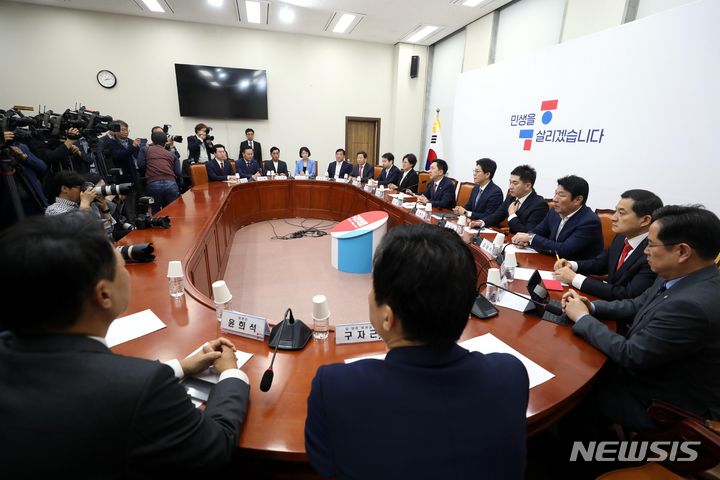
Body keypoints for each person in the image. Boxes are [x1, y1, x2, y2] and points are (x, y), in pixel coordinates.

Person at [0, 214, 251, 477]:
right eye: (123, 266)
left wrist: (180, 367)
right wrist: (231, 374)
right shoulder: (140, 388)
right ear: (104, 294)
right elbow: (214, 447)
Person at [305, 223, 529, 479]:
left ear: (387, 317)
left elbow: (323, 464)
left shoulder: (336, 387)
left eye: (373, 287)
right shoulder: (510, 374)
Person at [562, 205, 720, 431]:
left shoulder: (691, 306)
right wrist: (592, 308)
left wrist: (583, 319)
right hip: (651, 370)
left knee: (576, 391)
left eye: (651, 244)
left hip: (662, 402)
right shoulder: (682, 274)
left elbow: (631, 354)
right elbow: (636, 304)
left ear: (682, 252)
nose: (645, 250)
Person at [554, 189, 662, 301]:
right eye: (615, 211)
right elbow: (601, 263)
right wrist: (572, 265)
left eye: (621, 213)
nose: (614, 218)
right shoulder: (621, 237)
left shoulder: (653, 253)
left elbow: (627, 294)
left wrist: (574, 278)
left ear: (645, 220)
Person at [512, 175, 603, 260]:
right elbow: (537, 232)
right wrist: (525, 240)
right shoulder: (554, 212)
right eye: (555, 193)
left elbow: (564, 249)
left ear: (577, 200)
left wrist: (531, 238)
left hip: (575, 270)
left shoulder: (589, 221)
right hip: (552, 261)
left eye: (561, 195)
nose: (554, 199)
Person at [472, 164, 548, 233]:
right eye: (510, 182)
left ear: (528, 186)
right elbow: (497, 215)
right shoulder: (511, 197)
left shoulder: (540, 205)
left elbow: (527, 233)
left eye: (515, 183)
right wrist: (482, 222)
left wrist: (512, 214)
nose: (510, 187)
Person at [45, 171, 114, 237]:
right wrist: (85, 204)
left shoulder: (86, 204)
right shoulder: (53, 210)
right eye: (79, 188)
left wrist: (105, 209)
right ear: (64, 189)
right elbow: (78, 233)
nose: (82, 191)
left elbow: (108, 230)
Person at [144, 130, 181, 213]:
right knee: (172, 211)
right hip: (171, 183)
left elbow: (140, 164)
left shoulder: (146, 150)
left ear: (152, 141)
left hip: (153, 183)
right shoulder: (171, 154)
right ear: (165, 141)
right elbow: (178, 172)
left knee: (155, 211)